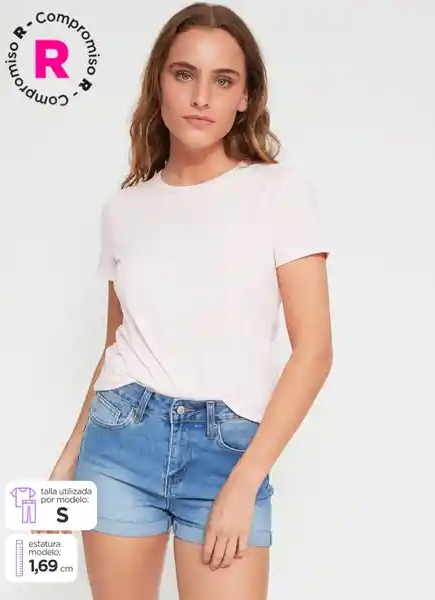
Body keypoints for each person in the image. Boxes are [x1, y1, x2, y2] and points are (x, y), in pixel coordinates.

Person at [47, 3, 333, 599]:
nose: (201, 97)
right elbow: (117, 343)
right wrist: (70, 456)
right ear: (159, 83)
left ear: (245, 97)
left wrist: (245, 481)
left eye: (222, 81)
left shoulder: (279, 193)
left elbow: (314, 352)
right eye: (184, 75)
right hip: (119, 441)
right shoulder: (123, 209)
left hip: (228, 452)